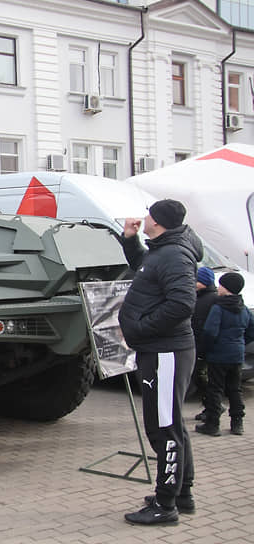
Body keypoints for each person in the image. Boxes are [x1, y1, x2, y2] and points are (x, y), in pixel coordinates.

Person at [118, 199, 202, 525]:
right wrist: (129, 239)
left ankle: (165, 506)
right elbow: (145, 268)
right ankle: (181, 494)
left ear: (160, 221)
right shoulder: (161, 250)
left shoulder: (174, 254)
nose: (144, 217)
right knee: (173, 425)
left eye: (149, 214)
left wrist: (140, 328)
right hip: (160, 350)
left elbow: (182, 303)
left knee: (164, 429)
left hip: (165, 352)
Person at [195, 272, 254, 437]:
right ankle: (237, 423)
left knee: (215, 389)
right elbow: (251, 330)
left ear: (226, 288)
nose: (218, 287)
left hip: (218, 355)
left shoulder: (219, 308)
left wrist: (204, 349)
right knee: (235, 389)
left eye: (221, 285)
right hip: (237, 355)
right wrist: (240, 342)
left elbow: (209, 332)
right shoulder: (243, 308)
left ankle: (212, 424)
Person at [191, 266, 219, 421]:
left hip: (207, 347)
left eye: (197, 280)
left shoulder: (214, 299)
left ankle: (213, 408)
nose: (194, 283)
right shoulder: (197, 296)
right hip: (196, 344)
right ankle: (210, 407)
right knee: (198, 378)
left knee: (205, 379)